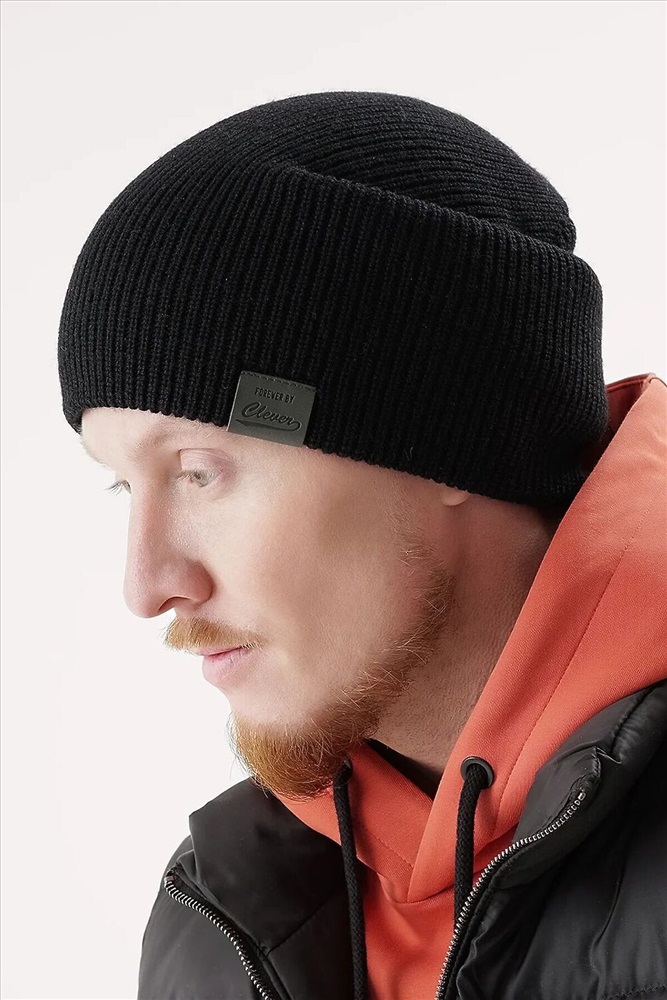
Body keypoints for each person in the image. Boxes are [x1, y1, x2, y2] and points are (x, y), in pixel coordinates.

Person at [57, 91, 667, 1000]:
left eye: (199, 472)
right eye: (122, 485)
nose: (146, 587)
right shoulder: (219, 916)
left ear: (451, 437)